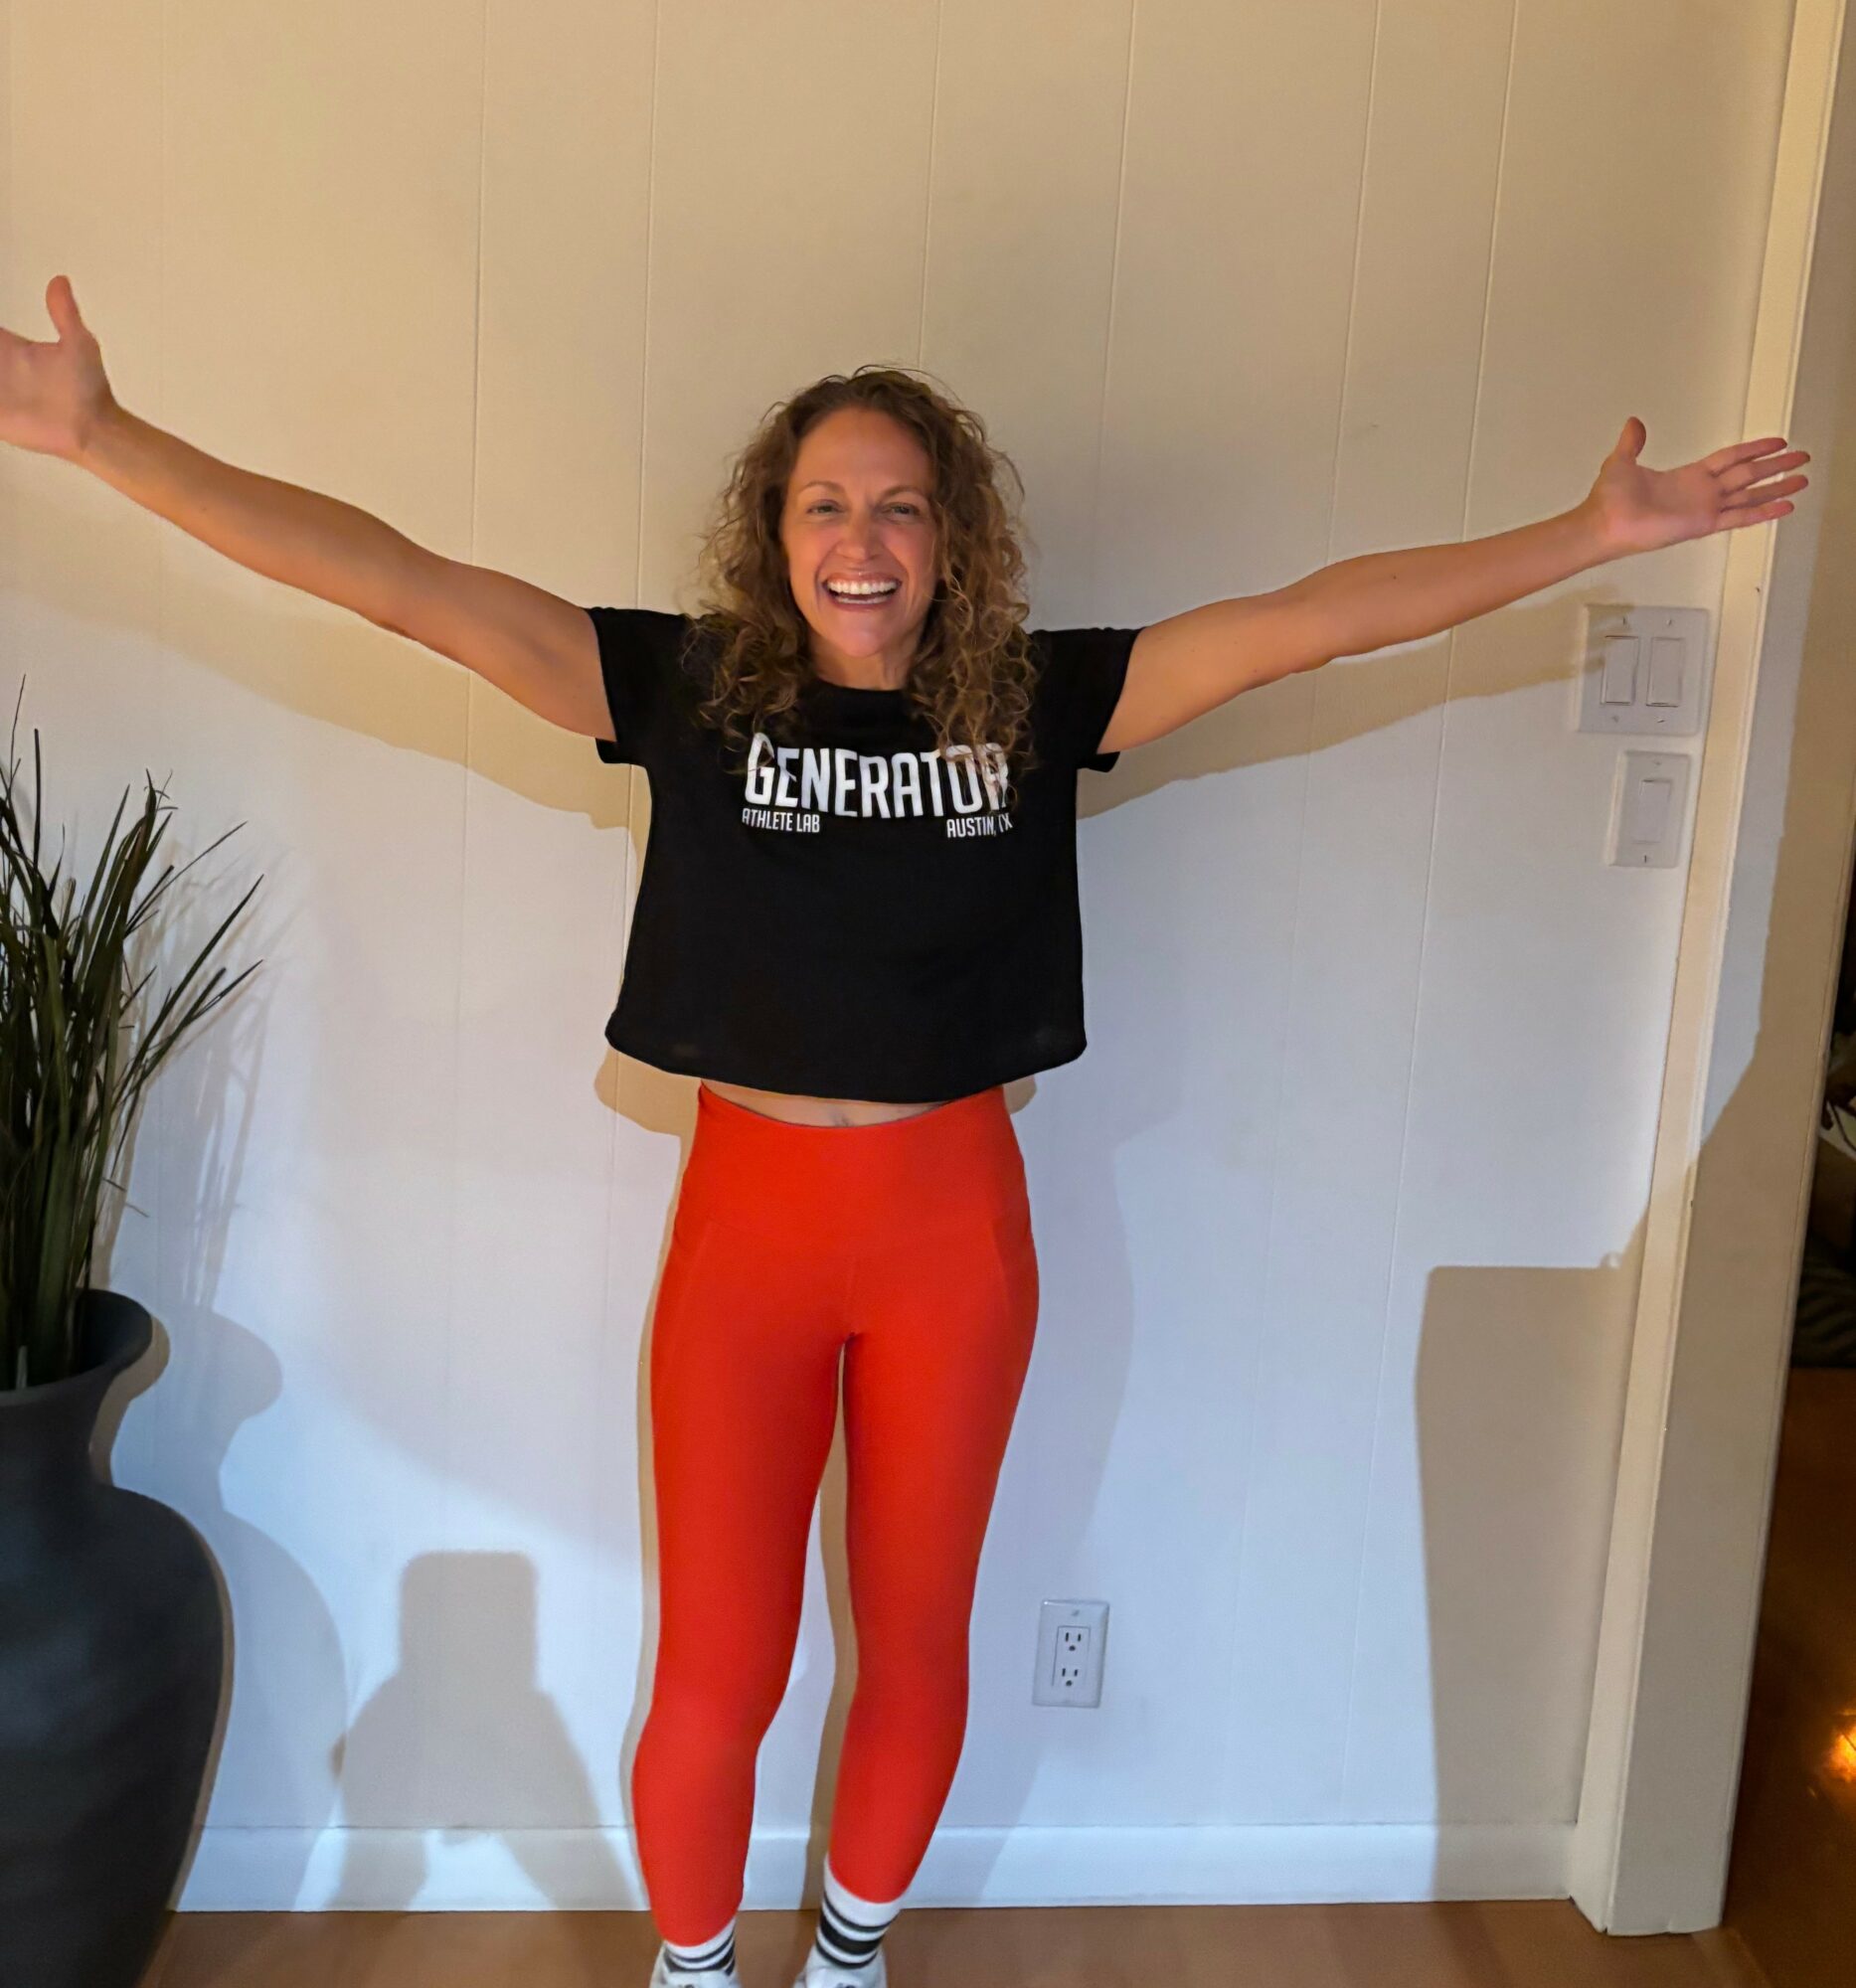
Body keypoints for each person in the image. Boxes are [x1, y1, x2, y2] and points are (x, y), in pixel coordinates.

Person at [1, 273, 1808, 1988]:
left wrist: (1585, 538)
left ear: (954, 542)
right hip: (748, 1239)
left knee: (916, 1638)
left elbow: (1316, 619)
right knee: (723, 1660)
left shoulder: (1037, 707)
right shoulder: (689, 694)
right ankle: (698, 1962)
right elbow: (397, 583)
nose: (860, 542)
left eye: (902, 508)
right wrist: (111, 439)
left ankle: (849, 1952)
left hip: (956, 1238)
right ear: (772, 537)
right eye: (823, 505)